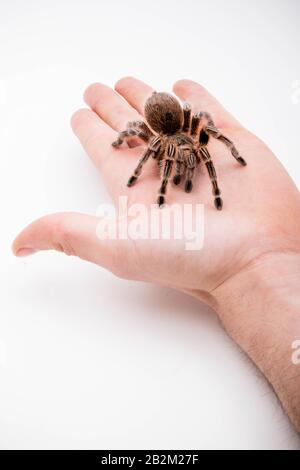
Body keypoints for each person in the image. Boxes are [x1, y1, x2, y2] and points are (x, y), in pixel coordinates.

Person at [12, 77, 300, 432]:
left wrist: (234, 162)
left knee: (205, 152)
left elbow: (211, 139)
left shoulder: (196, 139)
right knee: (156, 153)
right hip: (163, 127)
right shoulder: (156, 140)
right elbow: (150, 152)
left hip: (175, 126)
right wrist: (146, 179)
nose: (188, 155)